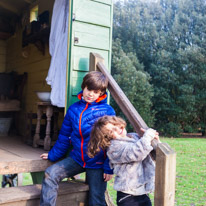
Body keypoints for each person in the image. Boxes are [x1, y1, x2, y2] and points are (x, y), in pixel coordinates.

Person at [40, 71, 115, 206]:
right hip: (77, 159)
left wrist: (109, 167)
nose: (90, 94)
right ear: (83, 87)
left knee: (96, 201)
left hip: (97, 163)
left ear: (101, 94)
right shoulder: (73, 109)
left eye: (95, 91)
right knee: (50, 173)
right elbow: (64, 135)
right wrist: (53, 154)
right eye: (89, 89)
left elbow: (112, 142)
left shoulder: (108, 111)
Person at [88, 115, 160, 206]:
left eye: (115, 126)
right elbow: (136, 152)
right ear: (107, 138)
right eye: (111, 131)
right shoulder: (114, 148)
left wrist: (156, 142)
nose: (117, 130)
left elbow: (151, 153)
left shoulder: (134, 136)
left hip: (143, 192)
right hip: (128, 196)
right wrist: (147, 136)